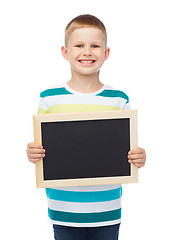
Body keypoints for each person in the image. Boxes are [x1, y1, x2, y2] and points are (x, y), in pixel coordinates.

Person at [27, 14, 146, 240]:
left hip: (107, 208)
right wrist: (32, 152)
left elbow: (128, 149)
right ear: (65, 52)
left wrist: (139, 157)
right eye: (79, 45)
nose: (87, 52)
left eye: (95, 46)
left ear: (106, 53)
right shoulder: (49, 98)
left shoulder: (118, 99)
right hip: (63, 208)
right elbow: (40, 146)